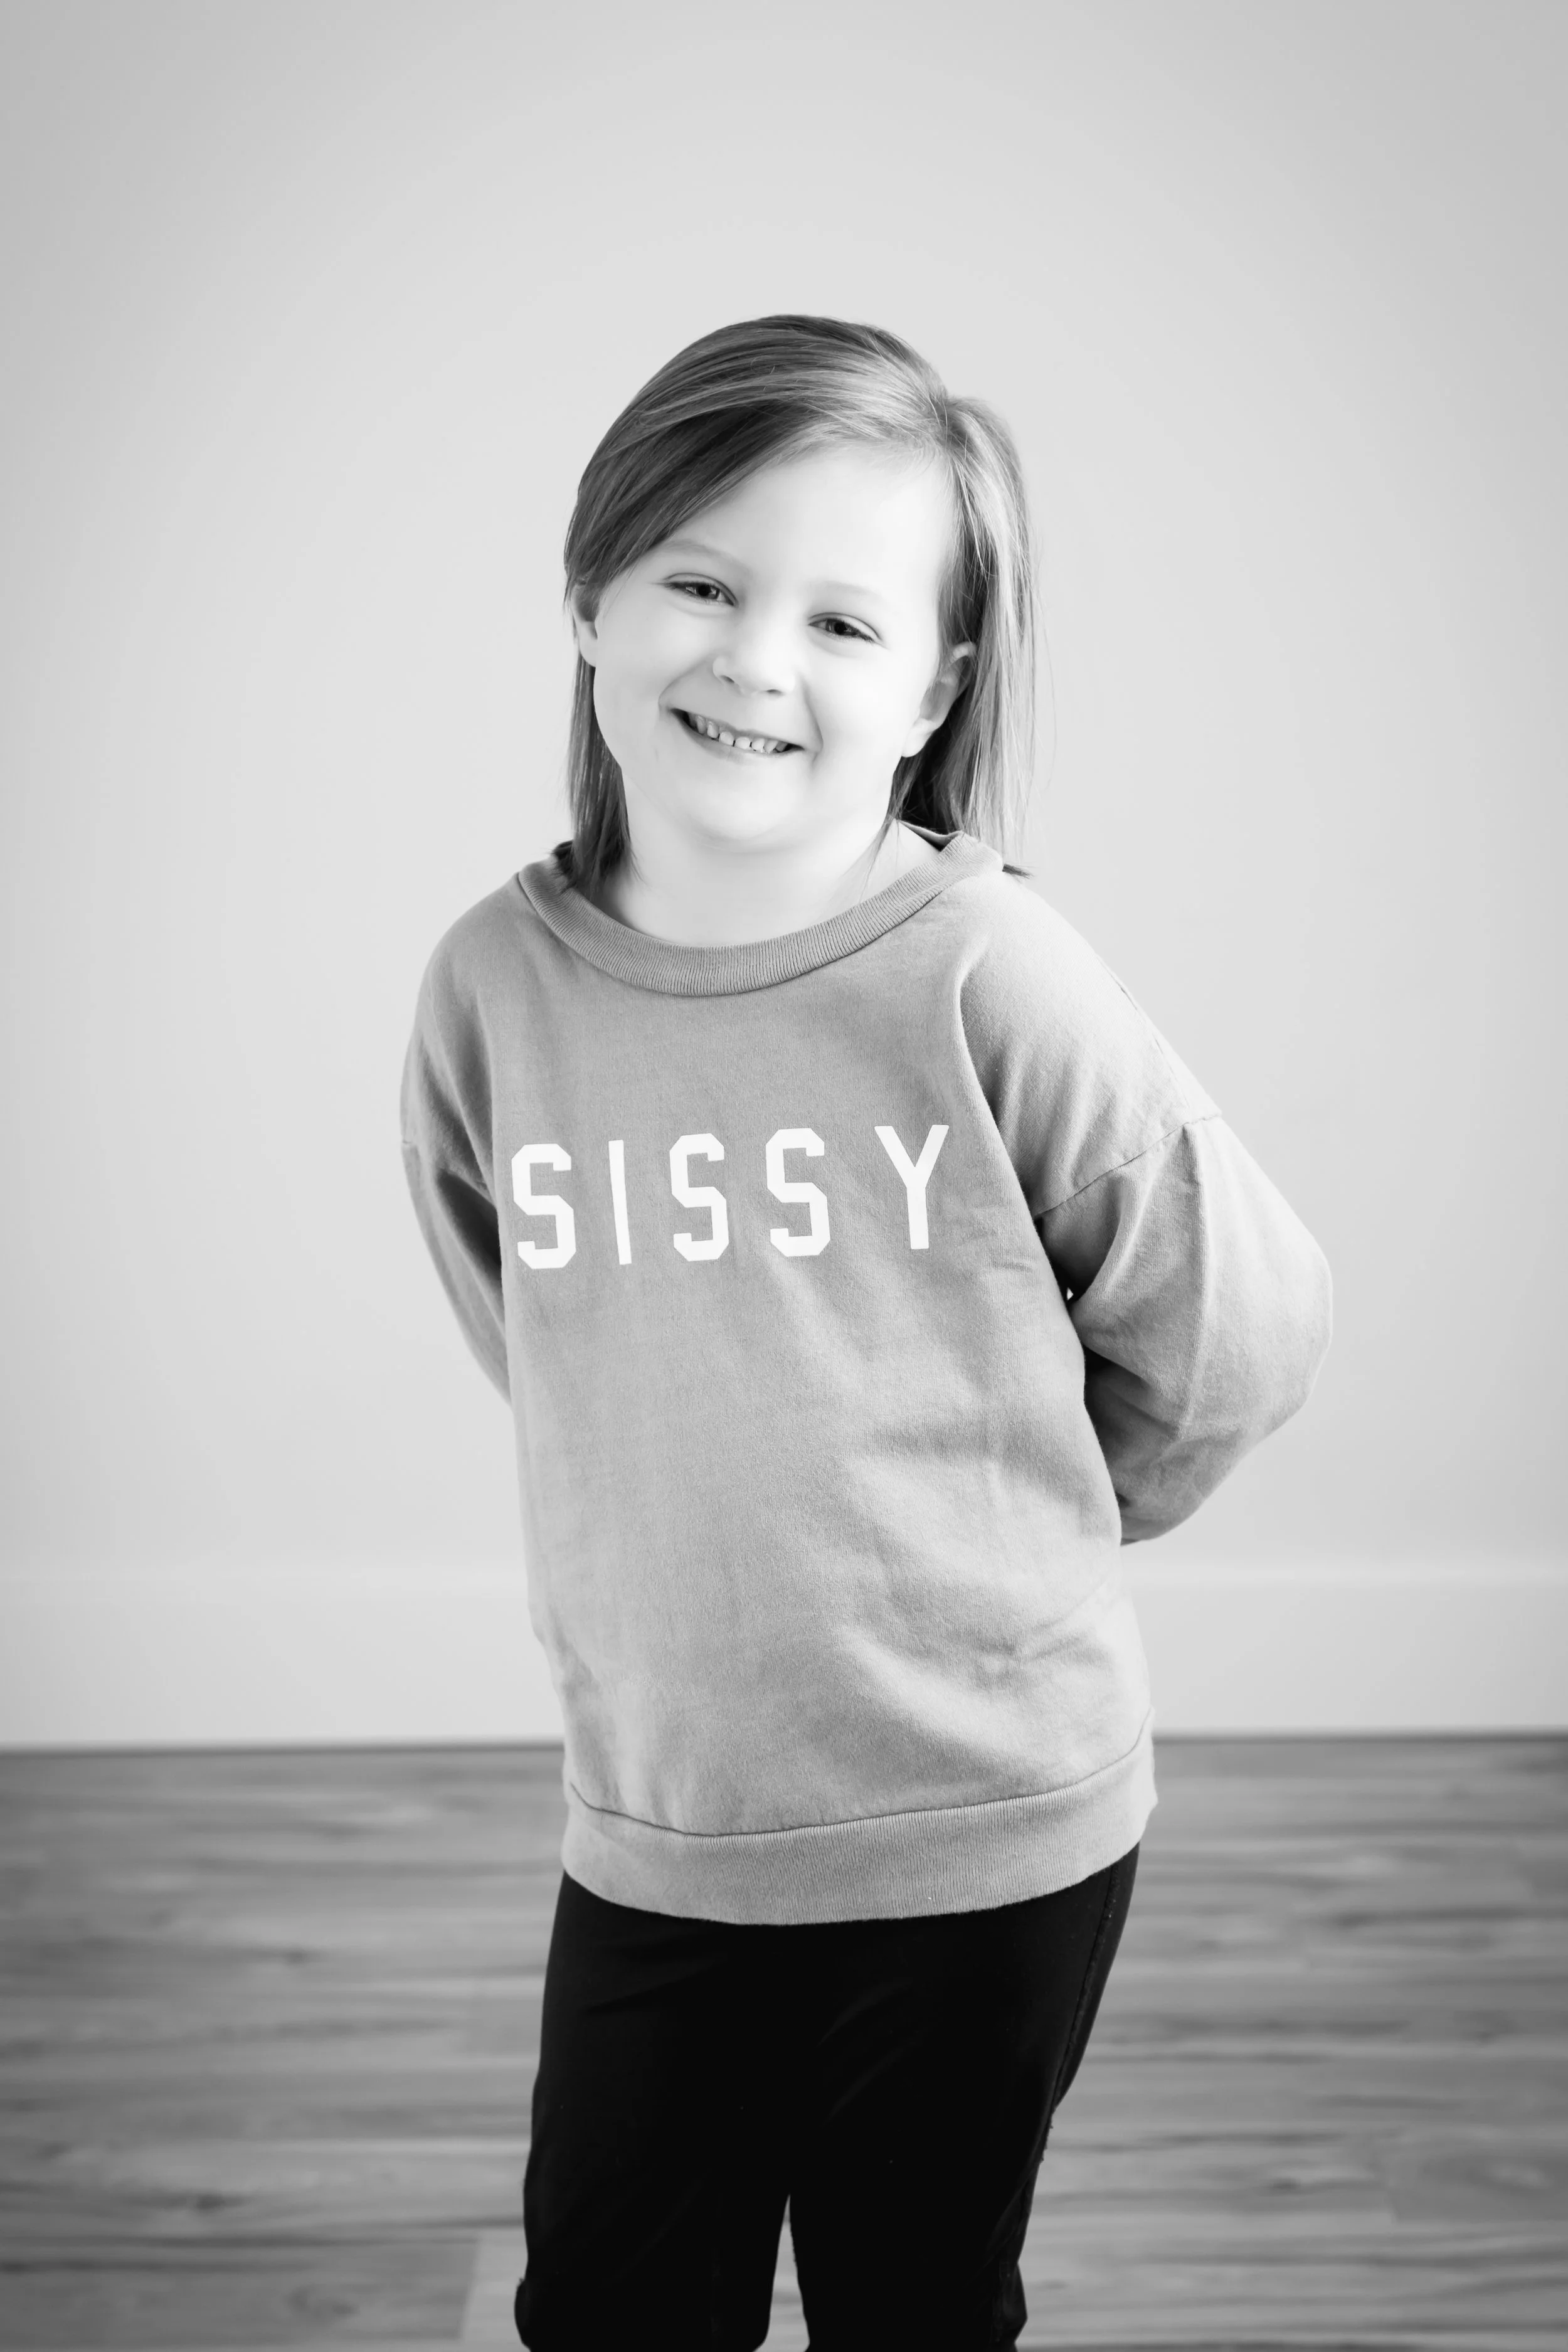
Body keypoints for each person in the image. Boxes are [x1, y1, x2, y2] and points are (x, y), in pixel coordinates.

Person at [400, 313, 1333, 2351]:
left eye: (840, 619)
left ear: (931, 688)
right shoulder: (492, 988)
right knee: (615, 2307)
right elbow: (542, 1332)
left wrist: (1040, 1514)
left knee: (914, 2301)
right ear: (591, 595)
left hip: (984, 1833)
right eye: (703, 584)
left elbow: (1244, 1320)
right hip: (658, 1824)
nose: (755, 660)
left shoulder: (986, 969)